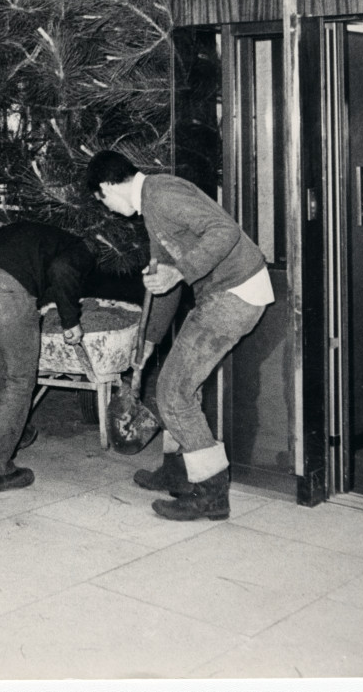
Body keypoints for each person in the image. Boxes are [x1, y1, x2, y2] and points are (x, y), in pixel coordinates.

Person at [82, 149, 274, 521]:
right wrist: (150, 338)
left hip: (235, 293)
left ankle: (211, 493)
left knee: (173, 391)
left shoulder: (162, 194)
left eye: (101, 199)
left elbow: (225, 231)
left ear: (107, 185)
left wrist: (181, 271)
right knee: (177, 386)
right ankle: (178, 471)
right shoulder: (152, 205)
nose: (106, 208)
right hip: (228, 294)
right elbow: (163, 277)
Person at [0, 219, 95, 492]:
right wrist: (70, 321)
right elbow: (63, 271)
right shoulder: (79, 247)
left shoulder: (22, 232)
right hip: (5, 293)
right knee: (19, 378)